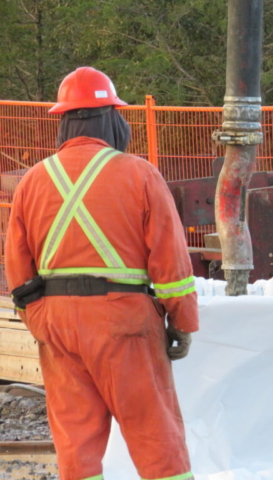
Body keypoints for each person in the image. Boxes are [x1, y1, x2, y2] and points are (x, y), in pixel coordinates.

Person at [5, 66, 198, 480]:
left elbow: (17, 272)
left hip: (56, 324)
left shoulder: (34, 179)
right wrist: (182, 323)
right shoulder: (139, 173)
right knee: (155, 435)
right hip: (123, 320)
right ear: (114, 118)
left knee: (76, 444)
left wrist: (42, 321)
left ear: (64, 121)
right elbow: (171, 267)